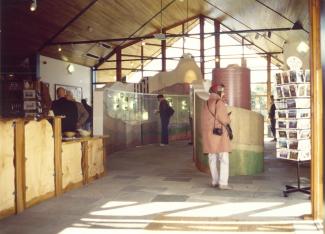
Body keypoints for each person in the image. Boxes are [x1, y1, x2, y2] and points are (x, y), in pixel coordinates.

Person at [201, 84, 232, 190]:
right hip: (219, 135)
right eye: (222, 91)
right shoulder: (219, 102)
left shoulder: (206, 102)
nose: (224, 93)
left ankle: (214, 180)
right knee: (224, 158)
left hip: (209, 135)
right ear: (218, 92)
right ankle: (223, 183)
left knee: (212, 158)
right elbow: (224, 119)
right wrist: (228, 117)